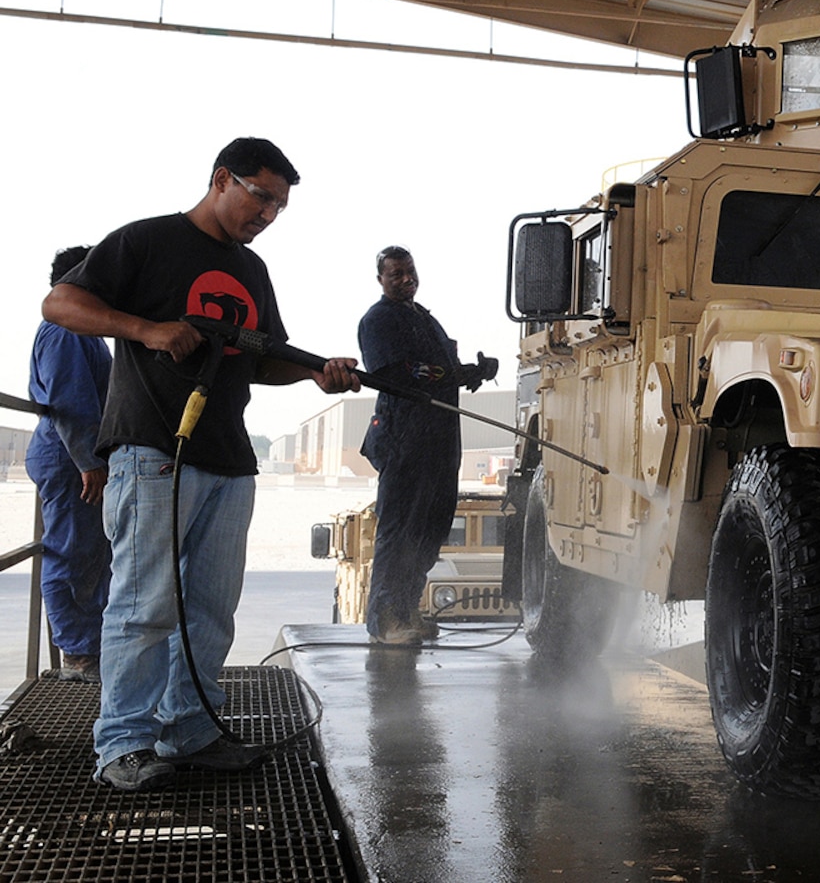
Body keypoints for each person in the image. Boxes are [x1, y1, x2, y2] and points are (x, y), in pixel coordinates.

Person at [42, 137, 359, 793]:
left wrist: (313, 374)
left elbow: (259, 357)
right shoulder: (146, 241)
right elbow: (61, 306)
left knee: (211, 607)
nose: (269, 214)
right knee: (144, 603)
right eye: (261, 196)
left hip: (228, 457)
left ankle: (188, 726)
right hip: (153, 447)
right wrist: (146, 329)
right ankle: (122, 746)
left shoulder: (251, 271)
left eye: (280, 205)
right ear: (222, 179)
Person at [358, 246, 495, 646]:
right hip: (406, 439)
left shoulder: (425, 319)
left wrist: (471, 372)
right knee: (400, 530)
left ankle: (407, 610)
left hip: (439, 439)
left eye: (410, 272)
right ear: (381, 279)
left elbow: (440, 372)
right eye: (396, 274)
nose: (406, 279)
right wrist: (449, 374)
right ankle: (385, 621)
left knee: (429, 528)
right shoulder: (378, 319)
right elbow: (393, 373)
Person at [26, 246, 114, 683]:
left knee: (92, 555)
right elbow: (69, 401)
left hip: (79, 458)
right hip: (69, 459)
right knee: (70, 552)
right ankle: (78, 655)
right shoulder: (65, 330)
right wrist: (88, 462)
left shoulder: (86, 331)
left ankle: (90, 645)